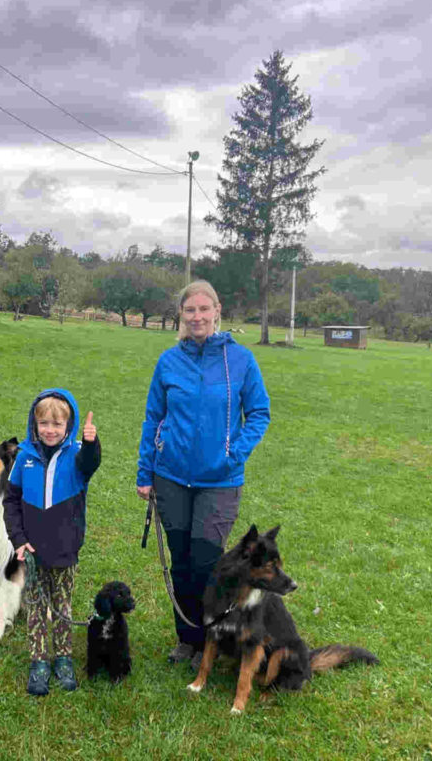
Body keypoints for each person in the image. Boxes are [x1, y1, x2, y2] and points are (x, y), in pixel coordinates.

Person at [136, 280, 270, 669]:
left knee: (206, 562)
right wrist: (145, 472)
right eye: (189, 310)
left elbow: (259, 412)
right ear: (181, 315)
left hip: (219, 482)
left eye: (202, 309)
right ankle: (187, 639)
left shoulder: (240, 360)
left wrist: (235, 452)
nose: (196, 317)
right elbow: (153, 418)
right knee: (181, 561)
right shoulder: (168, 362)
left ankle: (212, 639)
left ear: (216, 311)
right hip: (171, 476)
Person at [3, 390, 100, 696]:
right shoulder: (24, 458)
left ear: (68, 426)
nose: (50, 429)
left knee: (62, 605)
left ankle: (63, 658)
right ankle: (39, 661)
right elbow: (11, 501)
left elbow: (90, 463)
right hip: (31, 551)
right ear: (34, 423)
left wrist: (90, 442)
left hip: (65, 548)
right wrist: (18, 539)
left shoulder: (76, 456)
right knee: (35, 607)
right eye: (43, 423)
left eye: (57, 424)